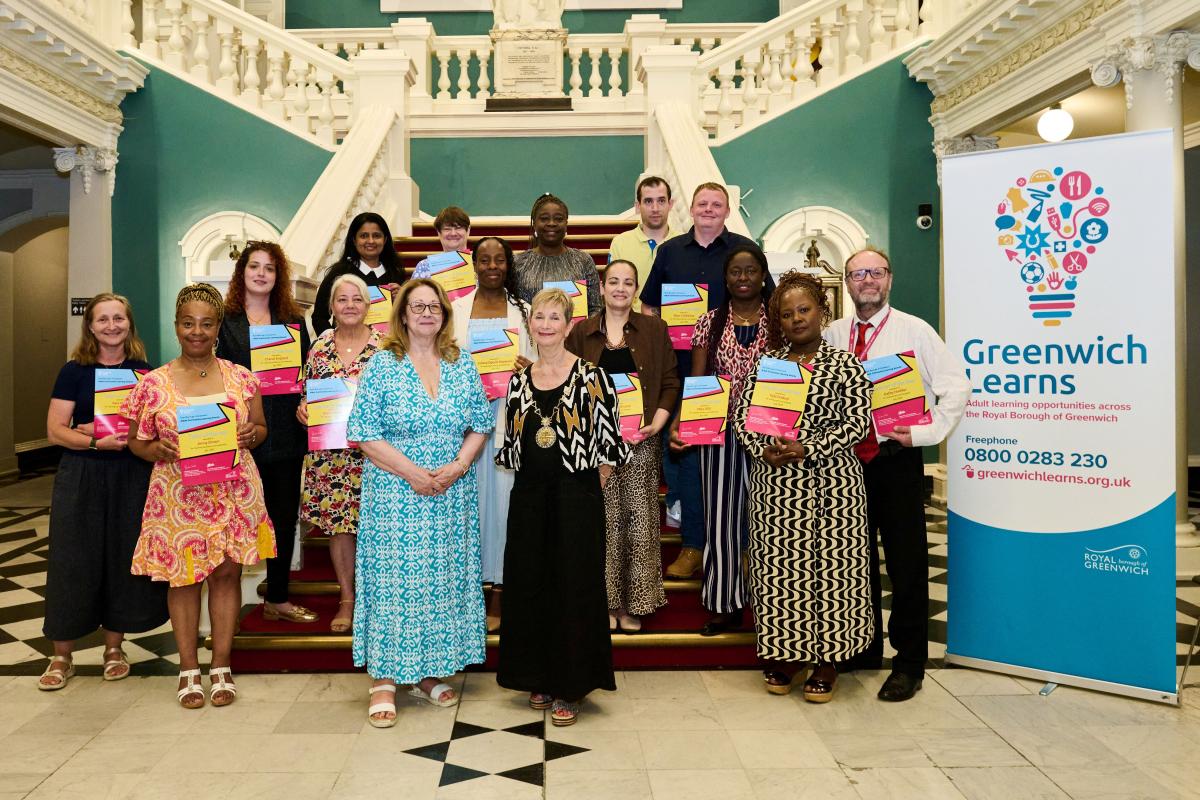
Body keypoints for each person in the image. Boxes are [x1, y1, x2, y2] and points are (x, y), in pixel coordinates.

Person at [824, 247, 970, 702]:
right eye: (857, 274)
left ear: (889, 279)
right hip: (845, 465)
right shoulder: (831, 334)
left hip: (896, 459)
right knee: (854, 561)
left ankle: (909, 663)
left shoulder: (915, 330)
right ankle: (863, 650)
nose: (866, 280)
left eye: (875, 272)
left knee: (906, 563)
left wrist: (925, 433)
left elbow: (956, 388)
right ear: (846, 283)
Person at [346, 279, 493, 727]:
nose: (427, 313)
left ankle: (426, 673)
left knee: (439, 582)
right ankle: (385, 678)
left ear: (445, 315)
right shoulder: (382, 366)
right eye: (418, 306)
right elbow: (363, 432)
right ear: (403, 315)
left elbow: (480, 424)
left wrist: (458, 466)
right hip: (395, 493)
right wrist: (412, 472)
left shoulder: (461, 363)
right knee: (394, 583)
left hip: (450, 492)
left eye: (434, 306)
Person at [123, 283, 273, 709]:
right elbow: (137, 441)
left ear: (218, 328)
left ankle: (221, 664)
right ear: (176, 326)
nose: (197, 332)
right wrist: (155, 449)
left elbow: (261, 430)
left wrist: (251, 433)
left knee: (226, 576)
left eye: (206, 324)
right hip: (178, 495)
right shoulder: (152, 384)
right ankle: (188, 668)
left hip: (234, 491)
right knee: (183, 579)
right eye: (188, 323)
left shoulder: (242, 378)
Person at [734, 271, 874, 702]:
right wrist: (763, 448)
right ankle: (783, 656)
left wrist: (806, 447)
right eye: (787, 313)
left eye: (804, 310)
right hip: (777, 490)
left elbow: (856, 423)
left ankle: (827, 662)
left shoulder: (846, 365)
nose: (796, 319)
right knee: (780, 571)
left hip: (833, 486)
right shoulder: (767, 365)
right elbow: (742, 416)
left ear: (822, 312)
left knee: (832, 573)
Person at [496, 288, 629, 727]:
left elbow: (609, 447)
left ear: (569, 324)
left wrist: (587, 489)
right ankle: (537, 673)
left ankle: (571, 685)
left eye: (556, 317)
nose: (547, 324)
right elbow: (513, 445)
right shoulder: (519, 379)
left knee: (574, 585)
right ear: (529, 325)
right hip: (530, 497)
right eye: (539, 317)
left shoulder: (592, 376)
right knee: (531, 580)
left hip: (578, 496)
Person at [639, 182, 772, 579]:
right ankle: (694, 544)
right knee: (693, 464)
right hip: (689, 373)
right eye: (703, 204)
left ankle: (750, 548)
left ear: (727, 210)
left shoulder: (745, 249)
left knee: (752, 470)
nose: (709, 209)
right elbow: (649, 305)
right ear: (690, 209)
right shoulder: (671, 251)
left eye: (717, 204)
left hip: (750, 379)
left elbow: (771, 303)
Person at [39, 294, 168, 690]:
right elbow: (55, 429)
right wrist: (94, 439)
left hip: (131, 474)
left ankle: (115, 648)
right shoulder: (73, 372)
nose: (112, 326)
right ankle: (61, 656)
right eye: (103, 319)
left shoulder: (146, 374)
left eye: (119, 318)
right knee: (73, 560)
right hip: (82, 473)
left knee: (121, 557)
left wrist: (92, 429)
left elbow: (149, 429)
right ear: (91, 327)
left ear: (129, 324)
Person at [566, 260, 678, 632]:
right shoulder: (581, 331)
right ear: (601, 286)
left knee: (640, 520)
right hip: (593, 445)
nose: (620, 288)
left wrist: (658, 423)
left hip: (641, 440)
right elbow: (567, 385)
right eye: (613, 281)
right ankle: (605, 603)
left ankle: (634, 603)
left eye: (628, 282)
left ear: (635, 289)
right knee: (602, 521)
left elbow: (669, 381)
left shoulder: (653, 328)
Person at [668, 245, 772, 635]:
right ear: (725, 279)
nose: (743, 278)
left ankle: (772, 610)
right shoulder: (709, 323)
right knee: (722, 521)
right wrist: (682, 423)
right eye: (735, 272)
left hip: (770, 434)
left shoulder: (779, 322)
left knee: (768, 522)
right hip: (721, 434)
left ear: (763, 276)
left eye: (750, 271)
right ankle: (725, 605)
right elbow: (698, 381)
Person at [218, 243, 315, 624]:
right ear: (242, 272)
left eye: (270, 268)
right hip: (240, 434)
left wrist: (308, 402)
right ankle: (228, 595)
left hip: (287, 431)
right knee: (236, 515)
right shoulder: (224, 320)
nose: (261, 274)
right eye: (254, 266)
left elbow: (307, 374)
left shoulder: (292, 319)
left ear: (279, 276)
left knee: (283, 515)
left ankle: (277, 596)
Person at [449, 236, 535, 633]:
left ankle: (500, 588)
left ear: (508, 264)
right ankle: (470, 590)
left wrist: (525, 365)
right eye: (484, 260)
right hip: (465, 421)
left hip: (509, 418)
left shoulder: (525, 311)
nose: (492, 266)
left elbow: (543, 364)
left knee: (504, 503)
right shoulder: (455, 310)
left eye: (499, 259)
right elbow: (444, 361)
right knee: (470, 505)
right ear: (474, 264)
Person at [296, 273, 383, 633]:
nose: (349, 305)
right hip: (330, 457)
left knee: (377, 528)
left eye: (357, 299)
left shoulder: (385, 348)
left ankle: (378, 602)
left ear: (368, 306)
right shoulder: (319, 346)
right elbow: (305, 390)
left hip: (375, 455)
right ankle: (347, 598)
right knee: (339, 529)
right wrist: (302, 406)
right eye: (342, 299)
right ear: (331, 307)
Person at [311, 212, 406, 336]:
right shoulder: (339, 273)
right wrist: (332, 342)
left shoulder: (396, 273)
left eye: (377, 235)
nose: (371, 241)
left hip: (388, 349)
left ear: (385, 239)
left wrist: (403, 299)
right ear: (354, 240)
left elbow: (407, 318)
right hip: (348, 351)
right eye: (364, 236)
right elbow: (319, 317)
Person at [513, 193, 602, 314]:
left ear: (566, 223)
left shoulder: (583, 261)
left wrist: (580, 332)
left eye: (558, 219)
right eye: (544, 218)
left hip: (577, 333)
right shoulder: (517, 263)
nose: (551, 223)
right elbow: (513, 310)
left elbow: (595, 309)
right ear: (534, 223)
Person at [607, 176, 680, 310]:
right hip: (630, 325)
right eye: (648, 201)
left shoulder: (683, 243)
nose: (655, 208)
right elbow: (612, 291)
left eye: (661, 201)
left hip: (674, 324)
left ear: (670, 204)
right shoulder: (620, 243)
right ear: (638, 206)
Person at [412, 206, 472, 279]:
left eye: (458, 228)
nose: (453, 233)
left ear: (468, 230)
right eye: (447, 229)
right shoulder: (424, 267)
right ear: (439, 233)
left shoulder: (478, 263)